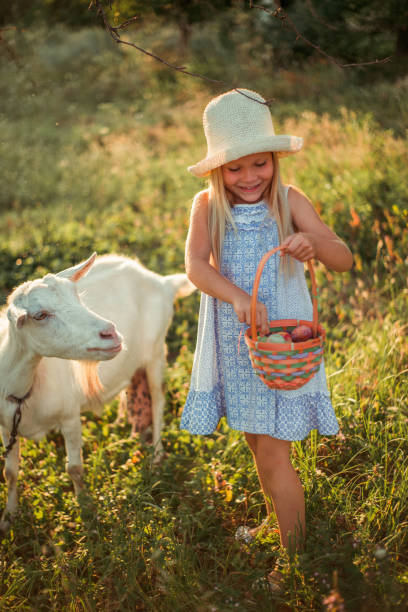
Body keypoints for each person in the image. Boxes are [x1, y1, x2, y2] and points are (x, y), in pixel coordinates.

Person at [180, 89, 353, 569]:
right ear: (218, 169)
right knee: (258, 442)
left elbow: (343, 258)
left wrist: (312, 243)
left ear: (274, 159)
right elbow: (195, 265)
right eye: (235, 168)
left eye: (260, 164)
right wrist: (237, 296)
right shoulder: (207, 205)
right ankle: (279, 521)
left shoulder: (289, 200)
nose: (249, 177)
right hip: (237, 346)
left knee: (275, 455)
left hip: (283, 348)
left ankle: (293, 558)